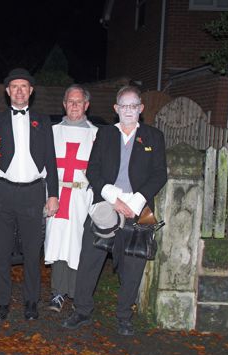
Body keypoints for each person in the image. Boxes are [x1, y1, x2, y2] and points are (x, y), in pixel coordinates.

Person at [61, 85, 167, 336]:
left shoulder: (154, 136)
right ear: (116, 109)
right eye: (123, 106)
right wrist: (113, 197)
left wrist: (136, 201)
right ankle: (82, 310)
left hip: (138, 210)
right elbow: (93, 169)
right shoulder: (105, 135)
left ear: (140, 109)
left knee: (133, 265)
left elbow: (159, 174)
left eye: (133, 106)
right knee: (89, 259)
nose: (128, 110)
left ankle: (124, 316)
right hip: (106, 205)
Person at [0, 68, 59, 321]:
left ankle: (30, 302)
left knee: (31, 251)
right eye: (14, 87)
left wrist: (53, 195)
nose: (19, 91)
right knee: (2, 250)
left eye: (23, 86)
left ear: (31, 91)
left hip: (33, 192)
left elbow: (51, 159)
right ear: (7, 92)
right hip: (3, 191)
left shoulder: (43, 121)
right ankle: (2, 302)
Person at [44, 85, 97, 312]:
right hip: (57, 192)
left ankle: (77, 293)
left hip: (83, 195)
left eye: (79, 102)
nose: (74, 106)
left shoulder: (97, 135)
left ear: (86, 105)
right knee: (58, 241)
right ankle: (58, 292)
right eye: (70, 101)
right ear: (64, 104)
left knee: (78, 243)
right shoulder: (52, 132)